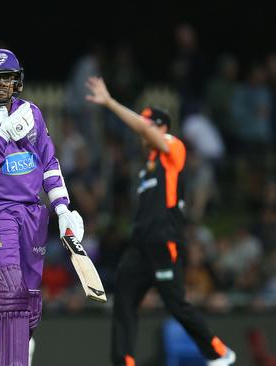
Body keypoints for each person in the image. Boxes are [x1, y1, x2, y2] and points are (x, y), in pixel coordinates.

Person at [84, 76, 236, 366]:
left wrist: (111, 102)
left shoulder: (173, 148)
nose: (142, 129)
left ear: (162, 127)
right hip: (140, 243)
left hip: (165, 238)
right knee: (124, 301)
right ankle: (123, 361)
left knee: (175, 302)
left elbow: (144, 130)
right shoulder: (146, 170)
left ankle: (219, 352)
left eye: (149, 124)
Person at [0, 49, 83, 366]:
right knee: (10, 291)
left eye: (7, 78)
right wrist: (2, 136)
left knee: (28, 303)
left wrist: (63, 207)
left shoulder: (33, 113)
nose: (1, 84)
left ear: (17, 81)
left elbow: (49, 161)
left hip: (32, 213)